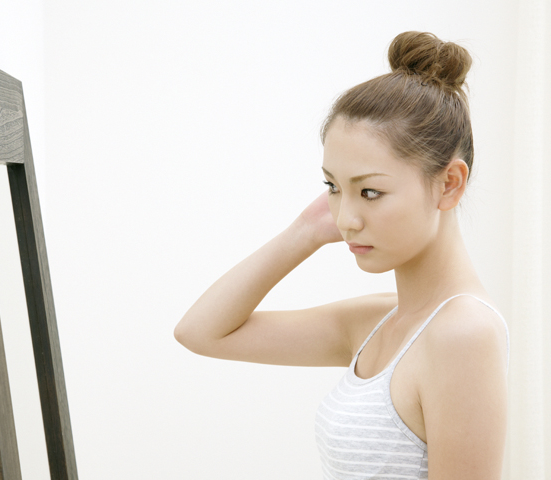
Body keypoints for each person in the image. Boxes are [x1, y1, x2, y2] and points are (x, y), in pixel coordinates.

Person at [174, 31, 510, 479]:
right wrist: (304, 233)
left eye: (370, 191)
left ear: (449, 184)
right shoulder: (377, 323)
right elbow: (200, 332)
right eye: (333, 186)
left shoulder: (463, 333)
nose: (346, 218)